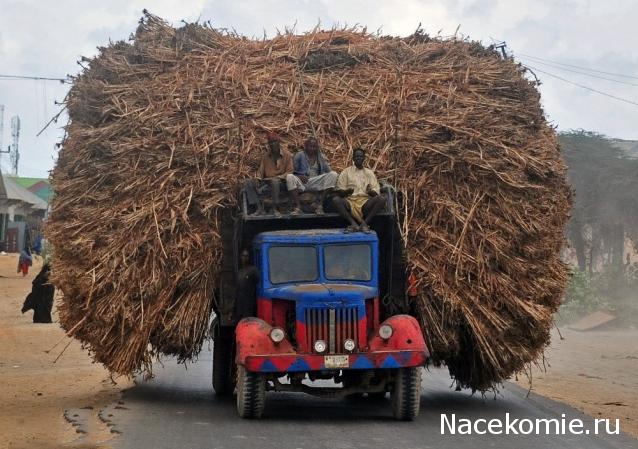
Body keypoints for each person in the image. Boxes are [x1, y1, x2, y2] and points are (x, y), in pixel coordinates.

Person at [332, 147, 385, 232]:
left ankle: (364, 223)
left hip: (364, 202)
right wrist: (347, 191)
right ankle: (353, 223)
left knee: (382, 199)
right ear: (353, 158)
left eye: (360, 156)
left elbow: (376, 192)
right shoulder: (346, 172)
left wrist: (370, 191)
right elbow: (340, 191)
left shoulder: (369, 173)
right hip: (350, 201)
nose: (358, 158)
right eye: (356, 156)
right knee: (336, 200)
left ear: (364, 158)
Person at [245, 132, 294, 216]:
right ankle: (259, 208)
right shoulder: (265, 157)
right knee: (248, 182)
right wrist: (257, 178)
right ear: (268, 144)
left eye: (275, 142)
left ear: (279, 142)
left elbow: (290, 171)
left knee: (275, 182)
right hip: (268, 182)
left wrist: (278, 177)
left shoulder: (287, 155)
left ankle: (274, 208)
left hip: (282, 182)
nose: (273, 144)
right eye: (270, 142)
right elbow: (261, 171)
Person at [286, 137, 338, 214]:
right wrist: (299, 176)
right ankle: (298, 206)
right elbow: (291, 171)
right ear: (306, 146)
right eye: (311, 146)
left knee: (334, 174)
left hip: (316, 182)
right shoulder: (299, 155)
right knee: (289, 177)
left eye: (314, 147)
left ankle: (320, 205)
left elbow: (329, 171)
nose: (312, 149)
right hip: (302, 183)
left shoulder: (321, 157)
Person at [234, 249, 260, 322]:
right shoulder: (239, 272)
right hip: (239, 308)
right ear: (240, 257)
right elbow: (237, 291)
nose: (245, 258)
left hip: (249, 307)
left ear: (249, 258)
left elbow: (258, 283)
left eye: (247, 256)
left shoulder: (253, 270)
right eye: (243, 256)